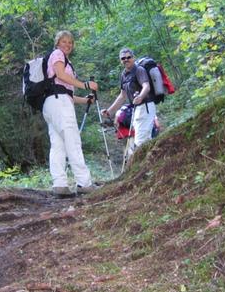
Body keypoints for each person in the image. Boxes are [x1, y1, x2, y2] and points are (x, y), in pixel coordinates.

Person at [43, 30, 100, 197]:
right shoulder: (57, 54)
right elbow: (61, 76)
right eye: (64, 41)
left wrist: (84, 100)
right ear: (57, 43)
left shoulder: (59, 58)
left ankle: (60, 185)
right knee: (73, 141)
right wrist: (85, 85)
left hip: (52, 103)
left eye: (70, 42)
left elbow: (64, 90)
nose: (67, 45)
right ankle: (84, 183)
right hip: (59, 103)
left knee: (58, 145)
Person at [102, 47, 157, 160]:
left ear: (133, 57)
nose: (126, 60)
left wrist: (141, 96)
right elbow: (122, 96)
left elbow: (146, 86)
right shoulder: (123, 75)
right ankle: (149, 167)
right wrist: (110, 111)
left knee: (140, 141)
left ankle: (144, 169)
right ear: (120, 60)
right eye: (123, 58)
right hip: (137, 109)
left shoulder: (139, 70)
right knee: (143, 139)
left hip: (146, 106)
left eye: (129, 57)